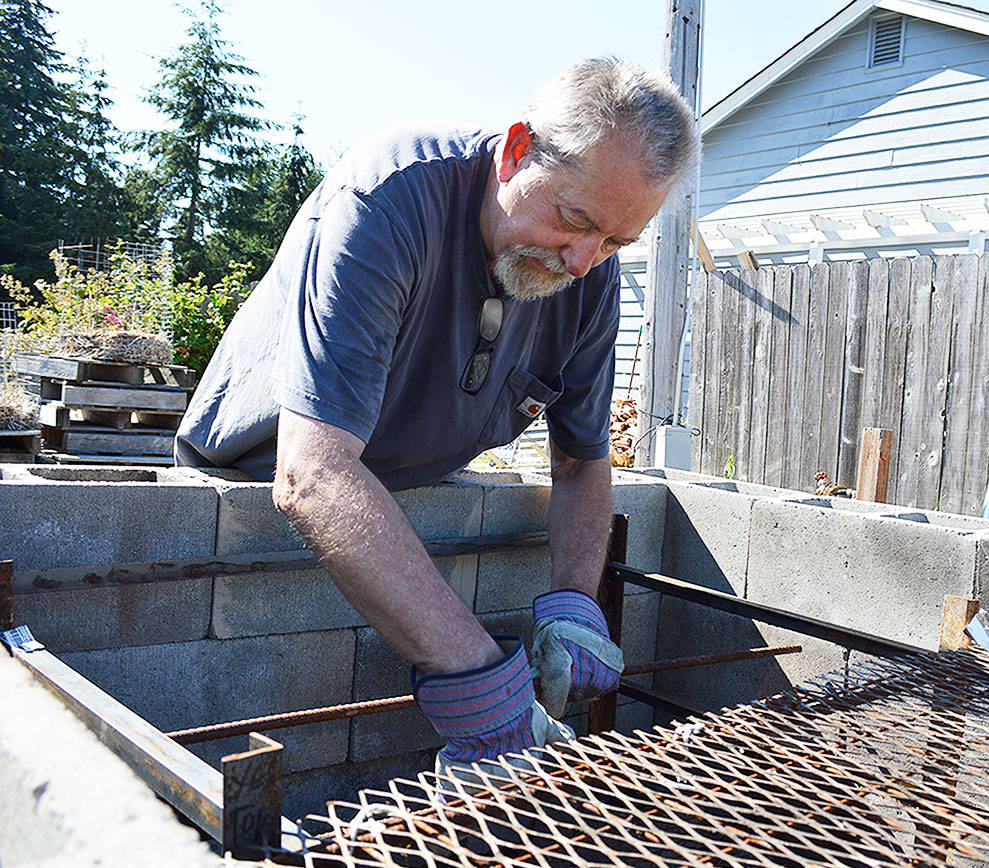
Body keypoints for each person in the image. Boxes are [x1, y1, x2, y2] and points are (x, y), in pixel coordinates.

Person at [174, 57, 699, 776]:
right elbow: (313, 474)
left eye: (615, 242)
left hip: (388, 504)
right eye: (574, 219)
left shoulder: (587, 273)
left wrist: (576, 601)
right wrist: (483, 685)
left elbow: (581, 461)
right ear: (517, 150)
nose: (584, 262)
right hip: (250, 493)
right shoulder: (389, 198)